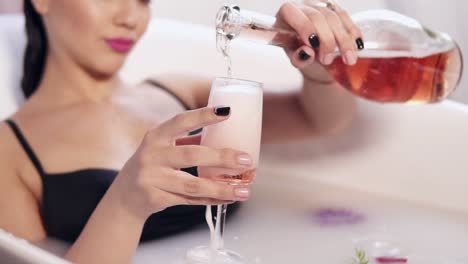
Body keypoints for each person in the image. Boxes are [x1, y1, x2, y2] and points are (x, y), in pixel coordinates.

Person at [0, 0, 362, 263]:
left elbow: (319, 120)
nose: (129, 17)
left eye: (143, 0)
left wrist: (319, 64)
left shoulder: (178, 92)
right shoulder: (9, 149)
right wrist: (125, 205)